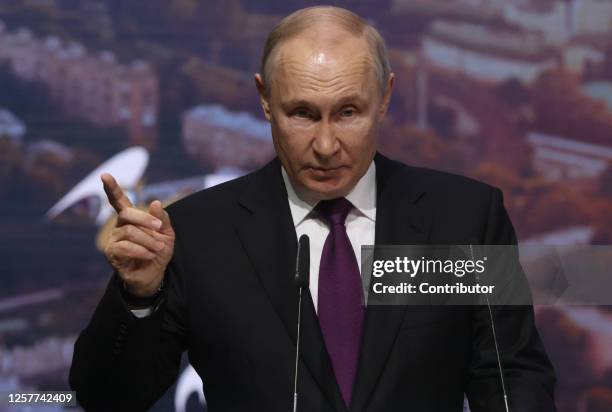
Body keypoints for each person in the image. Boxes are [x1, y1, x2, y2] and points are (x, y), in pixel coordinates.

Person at [69, 6, 556, 412]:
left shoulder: (463, 219)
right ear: (264, 99)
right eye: (302, 113)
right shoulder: (197, 234)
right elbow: (107, 398)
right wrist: (139, 298)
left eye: (348, 112)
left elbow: (511, 378)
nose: (326, 145)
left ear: (384, 97)